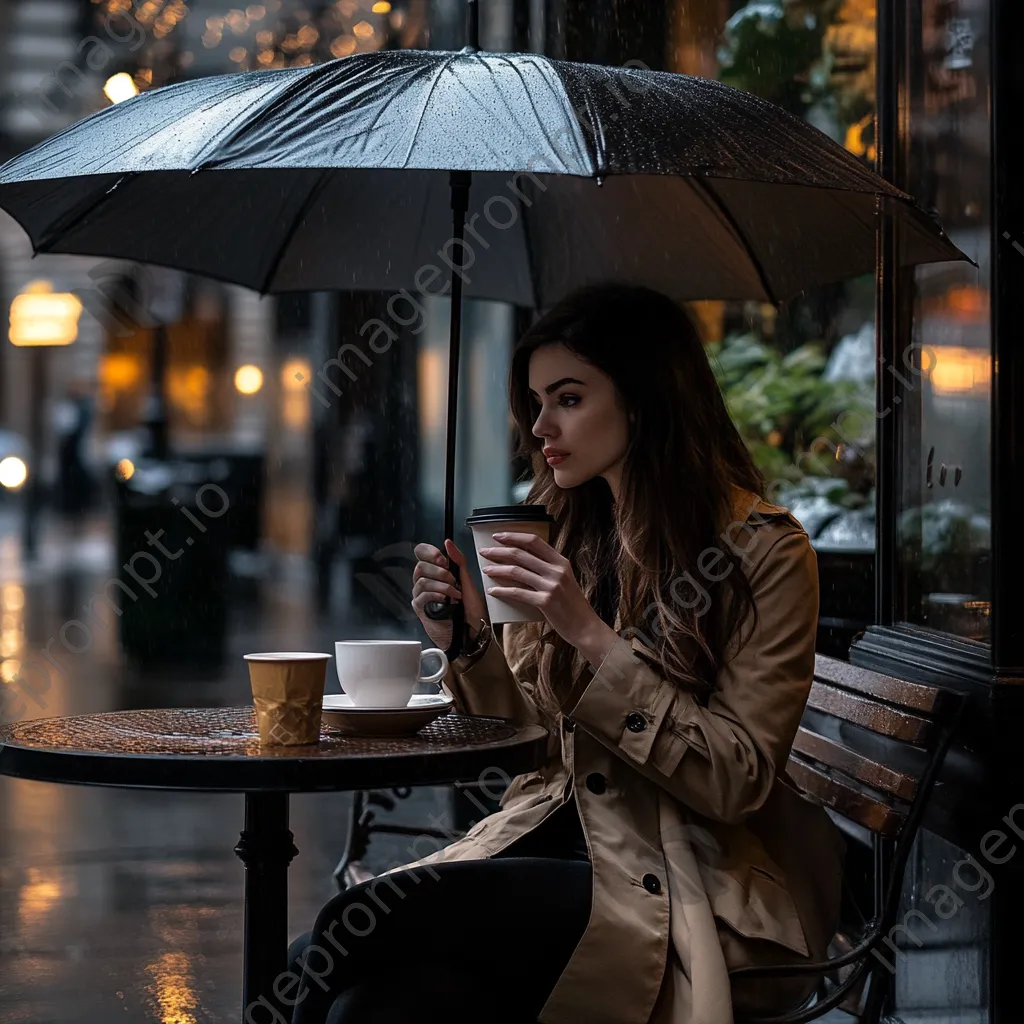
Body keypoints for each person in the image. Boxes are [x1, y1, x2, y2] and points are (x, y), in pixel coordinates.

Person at [286, 284, 846, 1024]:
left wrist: (589, 633)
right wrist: (471, 642)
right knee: (362, 1000)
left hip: (679, 873)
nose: (541, 426)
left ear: (646, 399)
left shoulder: (763, 551)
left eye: (569, 399)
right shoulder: (567, 531)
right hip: (548, 836)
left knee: (343, 931)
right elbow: (521, 750)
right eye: (536, 401)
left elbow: (734, 782)